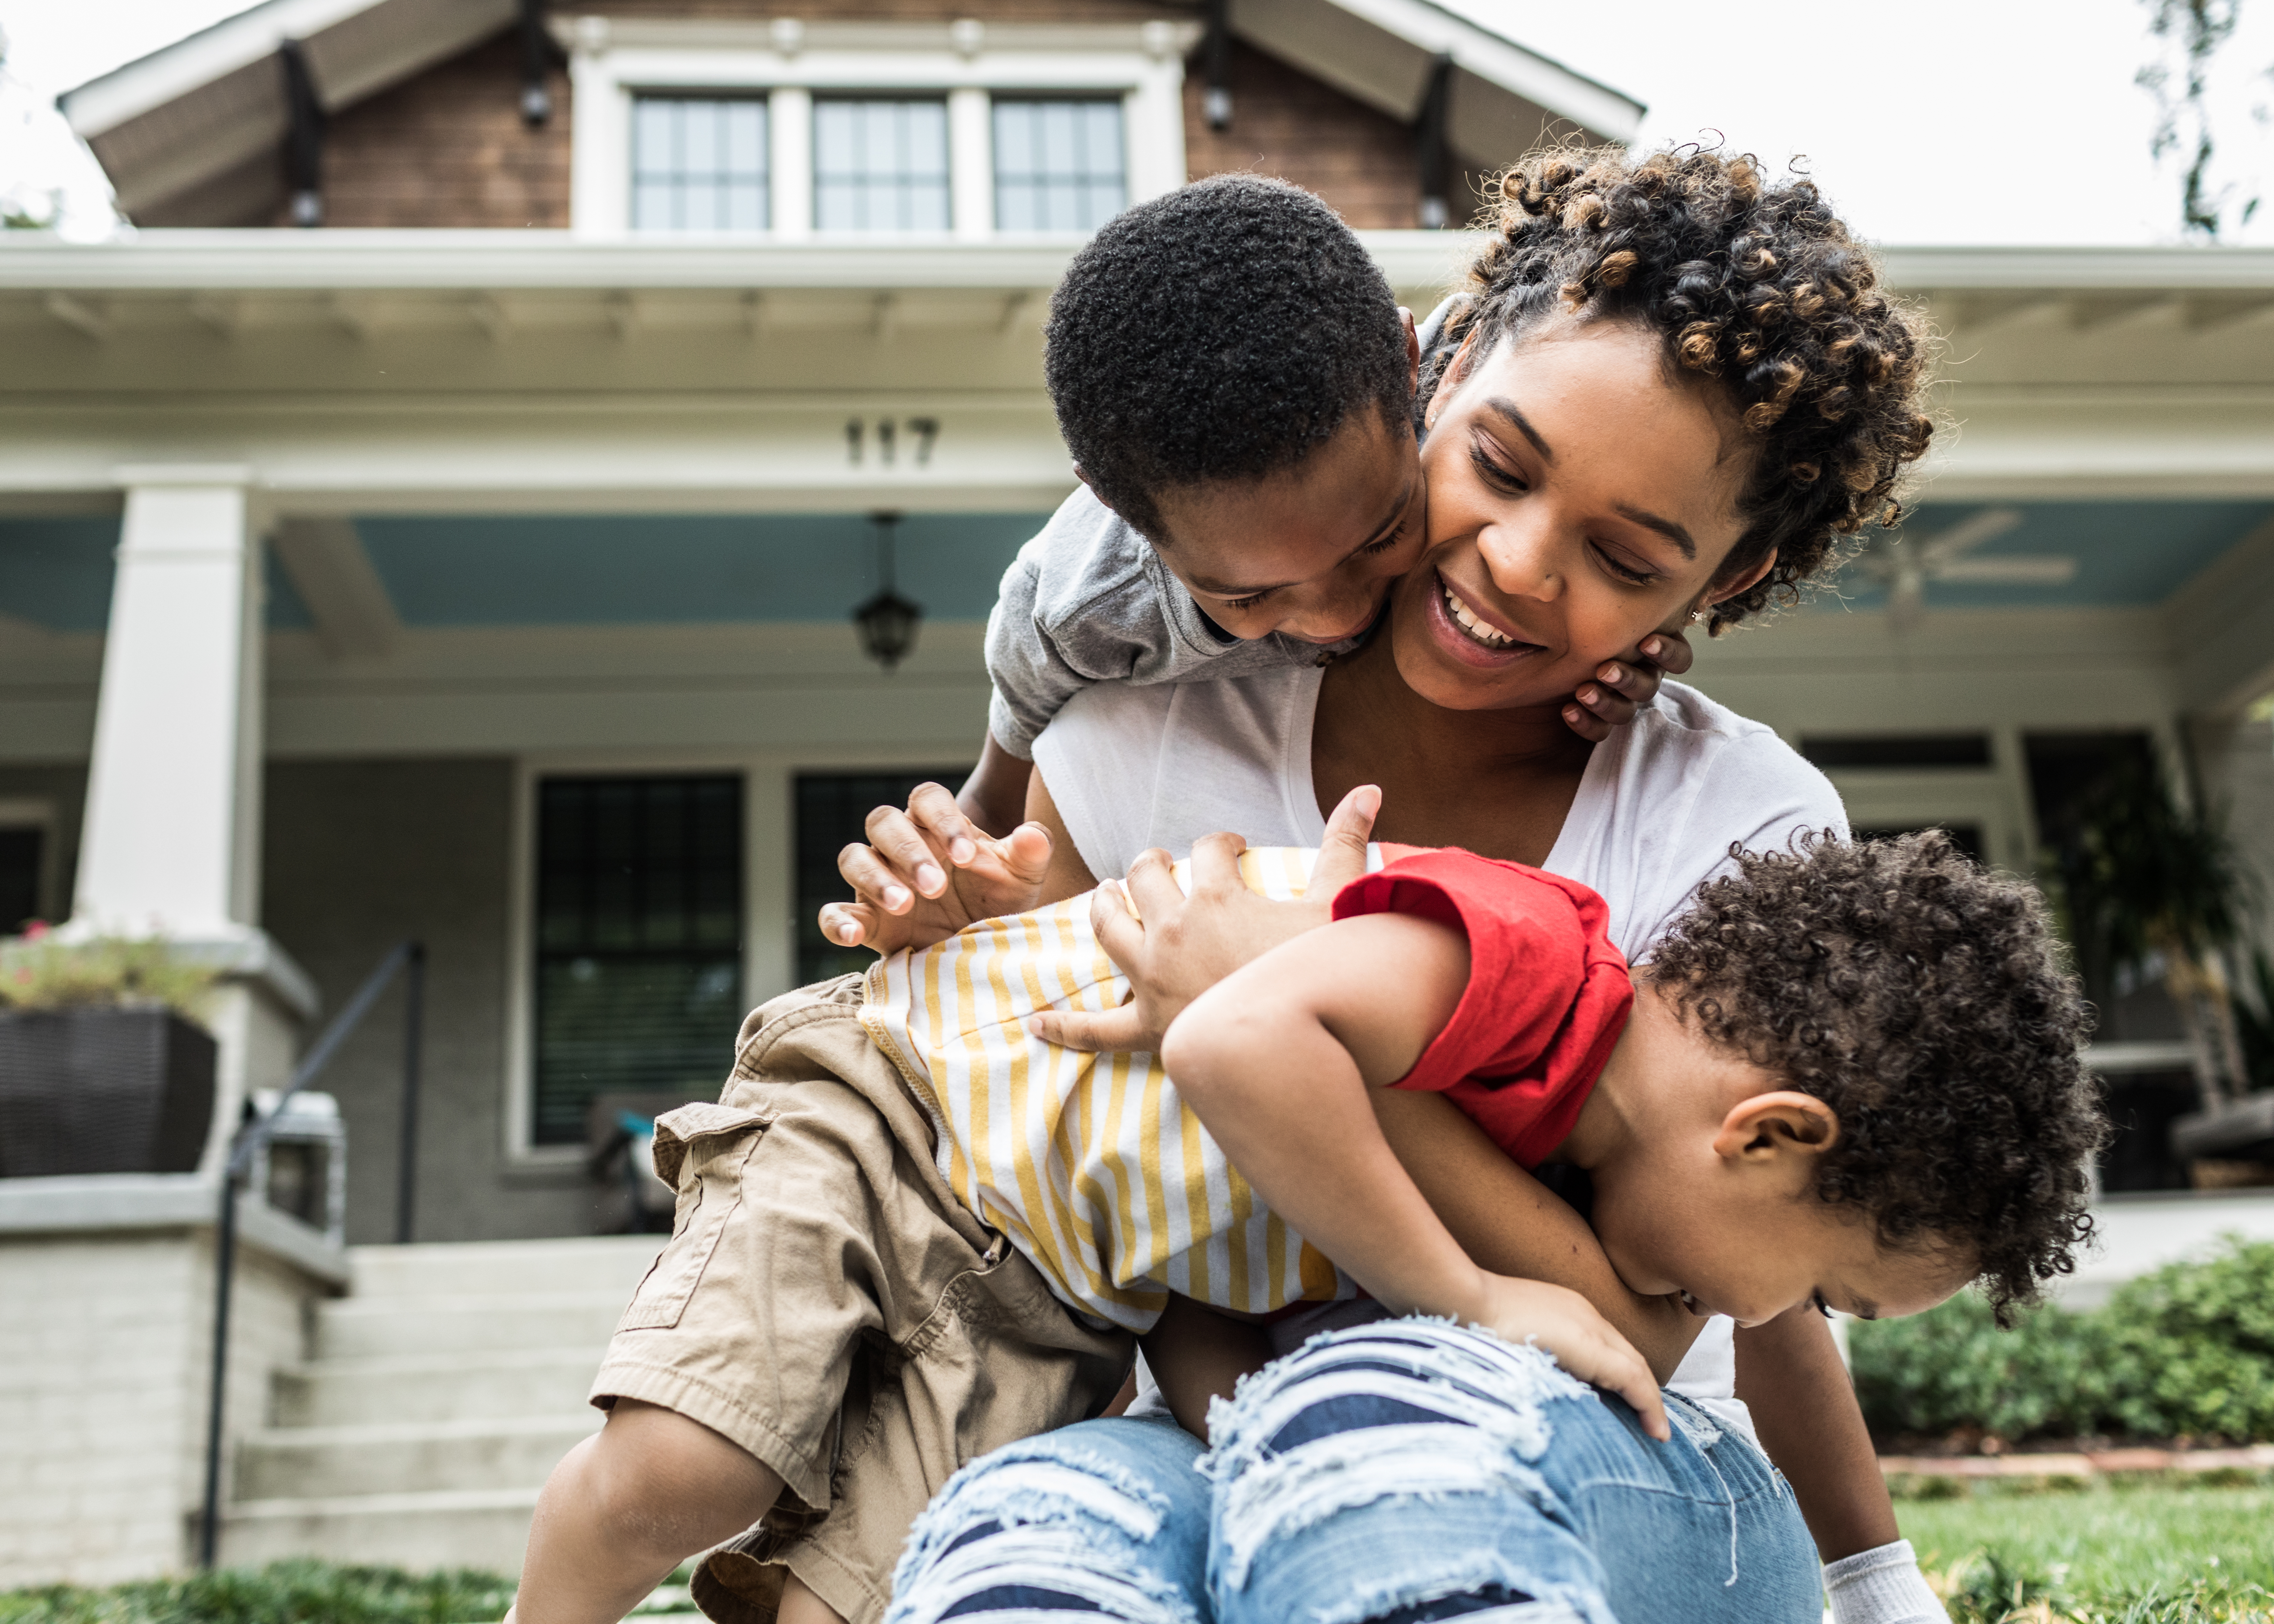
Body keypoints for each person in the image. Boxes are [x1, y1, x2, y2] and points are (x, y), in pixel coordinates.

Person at [826, 145, 1945, 1624]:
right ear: (1440, 364)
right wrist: (963, 939)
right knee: (1028, 1535)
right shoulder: (1134, 739)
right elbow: (1060, 1187)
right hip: (1214, 1434)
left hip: (1600, 1438)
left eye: (1624, 556)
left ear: (1719, 588)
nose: (1521, 565)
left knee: (1381, 1481)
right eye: (1498, 464)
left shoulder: (1737, 829)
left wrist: (1272, 1009)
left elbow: (1663, 1309)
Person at [518, 824, 2097, 1624]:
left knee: (858, 1603)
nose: (1780, 1315)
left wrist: (1243, 1423)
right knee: (684, 1467)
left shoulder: (1528, 1176)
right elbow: (1227, 1038)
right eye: (1826, 1286)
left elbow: (1218, 1296)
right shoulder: (1532, 958)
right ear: (1767, 1135)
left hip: (1052, 1295)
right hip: (904, 1103)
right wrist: (1471, 1289)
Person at [952, 173, 1694, 842]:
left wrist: (1613, 637)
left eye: (1381, 535)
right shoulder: (1077, 614)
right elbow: (991, 815)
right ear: (1119, 508)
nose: (1337, 618)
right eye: (1249, 594)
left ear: (1416, 370)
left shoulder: (1484, 396)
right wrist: (940, 879)